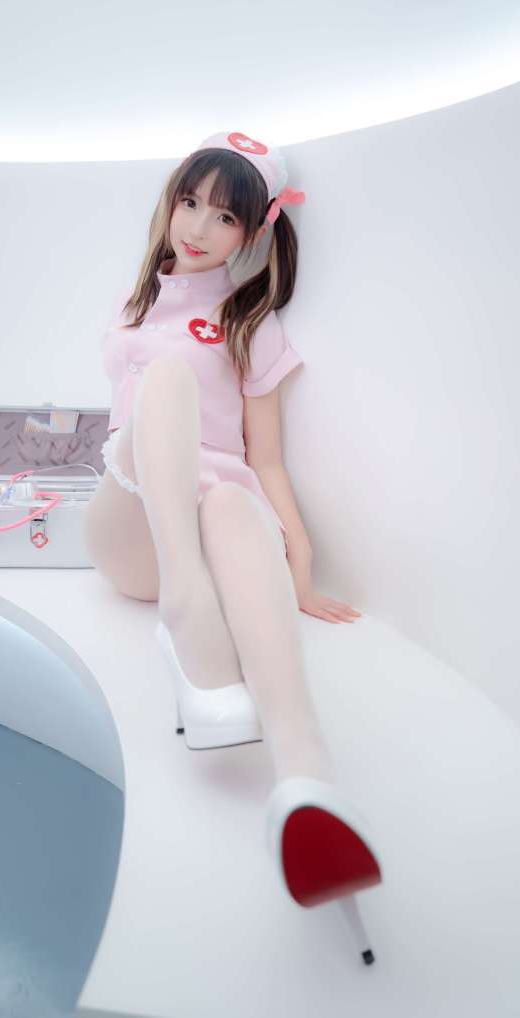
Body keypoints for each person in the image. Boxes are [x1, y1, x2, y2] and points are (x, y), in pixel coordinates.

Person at [84, 130, 383, 942]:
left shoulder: (253, 324)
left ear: (252, 232)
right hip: (136, 530)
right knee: (168, 383)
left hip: (211, 518)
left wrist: (302, 566)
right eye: (190, 202)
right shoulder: (135, 304)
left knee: (233, 502)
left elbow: (267, 462)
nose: (198, 226)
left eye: (223, 216)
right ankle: (187, 610)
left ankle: (308, 782)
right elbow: (139, 414)